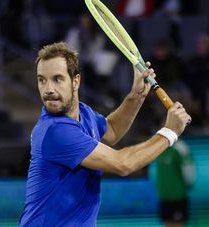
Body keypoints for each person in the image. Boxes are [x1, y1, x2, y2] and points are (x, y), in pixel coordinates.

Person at [19, 42, 192, 226]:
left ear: (75, 81)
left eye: (57, 79)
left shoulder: (84, 113)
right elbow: (123, 164)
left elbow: (112, 129)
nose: (48, 89)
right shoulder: (54, 131)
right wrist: (170, 132)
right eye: (41, 80)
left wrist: (136, 95)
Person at [151, 139, 195, 227]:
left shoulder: (180, 148)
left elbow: (188, 169)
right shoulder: (158, 147)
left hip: (177, 196)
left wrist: (187, 185)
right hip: (163, 196)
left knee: (177, 224)